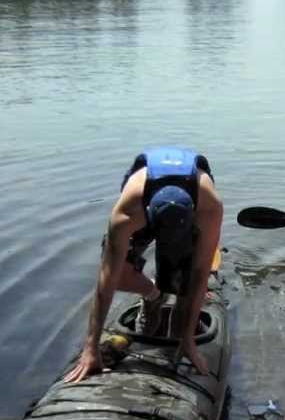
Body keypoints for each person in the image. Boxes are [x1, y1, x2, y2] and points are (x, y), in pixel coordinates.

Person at [63, 147, 223, 384]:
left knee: (185, 281)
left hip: (188, 209)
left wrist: (188, 339)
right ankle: (153, 294)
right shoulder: (127, 214)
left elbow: (200, 274)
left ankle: (182, 320)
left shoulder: (209, 208)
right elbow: (105, 281)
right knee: (119, 277)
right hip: (145, 202)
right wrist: (91, 347)